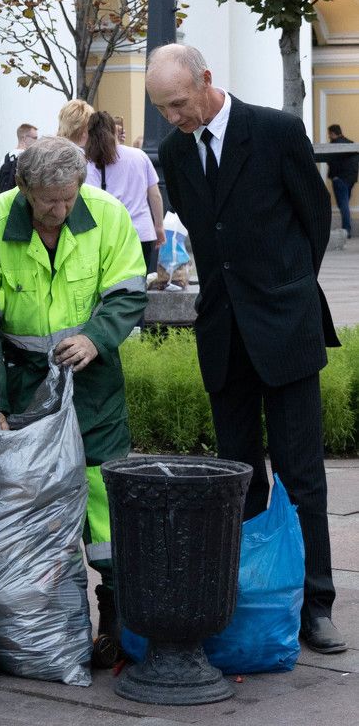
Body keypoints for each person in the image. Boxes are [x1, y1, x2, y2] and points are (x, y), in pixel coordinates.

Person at [145, 43, 346, 655]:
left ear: (207, 80)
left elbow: (314, 219)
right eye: (162, 108)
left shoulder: (277, 130)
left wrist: (283, 290)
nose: (173, 118)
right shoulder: (178, 152)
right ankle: (247, 591)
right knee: (235, 475)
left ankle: (316, 603)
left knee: (301, 474)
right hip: (224, 333)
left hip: (285, 327)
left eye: (178, 103)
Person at [0, 136, 147, 656]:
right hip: (20, 381)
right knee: (29, 495)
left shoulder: (106, 215)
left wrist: (96, 338)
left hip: (92, 382)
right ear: (24, 188)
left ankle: (116, 618)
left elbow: (128, 291)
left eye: (67, 198)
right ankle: (43, 623)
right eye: (47, 201)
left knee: (103, 496)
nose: (59, 211)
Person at [85, 110, 165, 271]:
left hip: (108, 236)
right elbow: (155, 195)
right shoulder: (139, 156)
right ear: (115, 130)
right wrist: (159, 226)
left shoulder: (89, 162)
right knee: (139, 283)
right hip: (142, 232)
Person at [327, 124, 358, 238]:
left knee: (343, 205)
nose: (329, 136)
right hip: (351, 179)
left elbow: (332, 161)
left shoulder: (334, 145)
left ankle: (346, 230)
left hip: (340, 179)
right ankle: (347, 229)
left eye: (329, 134)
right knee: (345, 204)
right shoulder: (351, 143)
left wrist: (335, 177)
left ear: (333, 133)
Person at [0, 123, 38, 193]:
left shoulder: (5, 158)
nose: (37, 141)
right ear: (24, 138)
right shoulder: (29, 158)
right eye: (35, 138)